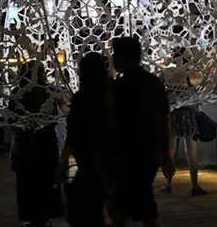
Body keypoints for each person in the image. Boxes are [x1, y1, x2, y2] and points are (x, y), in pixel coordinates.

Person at [110, 37, 174, 227]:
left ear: (120, 57)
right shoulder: (153, 82)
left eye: (114, 55)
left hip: (128, 155)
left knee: (139, 209)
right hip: (150, 152)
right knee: (131, 208)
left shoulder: (120, 86)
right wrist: (167, 152)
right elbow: (165, 120)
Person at [59, 52, 114, 227]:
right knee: (105, 206)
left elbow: (74, 132)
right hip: (110, 160)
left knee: (85, 210)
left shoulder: (82, 98)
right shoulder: (111, 97)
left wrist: (63, 160)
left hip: (89, 162)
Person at [9, 61, 62, 227]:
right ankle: (46, 217)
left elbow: (12, 120)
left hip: (26, 144)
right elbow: (54, 118)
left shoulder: (17, 93)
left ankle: (32, 217)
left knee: (28, 183)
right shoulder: (49, 91)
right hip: (46, 143)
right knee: (45, 180)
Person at [161, 104, 207, 196]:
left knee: (172, 150)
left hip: (173, 114)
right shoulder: (191, 89)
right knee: (192, 153)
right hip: (189, 115)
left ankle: (168, 184)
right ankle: (195, 186)